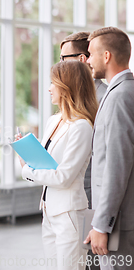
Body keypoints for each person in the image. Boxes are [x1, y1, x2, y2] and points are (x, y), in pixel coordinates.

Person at [17, 61, 98, 270]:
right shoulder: (53, 121)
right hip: (48, 210)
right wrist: (27, 154)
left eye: (53, 83)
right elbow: (45, 164)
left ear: (67, 87)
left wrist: (27, 169)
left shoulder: (82, 126)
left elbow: (63, 177)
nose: (49, 88)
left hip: (69, 215)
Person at [84, 27, 134, 270]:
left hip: (120, 224)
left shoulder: (120, 96)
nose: (88, 60)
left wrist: (102, 225)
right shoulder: (121, 92)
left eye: (91, 54)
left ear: (106, 56)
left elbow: (117, 165)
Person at [60, 32, 108, 215]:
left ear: (81, 59)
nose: (61, 65)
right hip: (68, 190)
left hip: (91, 192)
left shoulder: (105, 98)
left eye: (63, 58)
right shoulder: (69, 100)